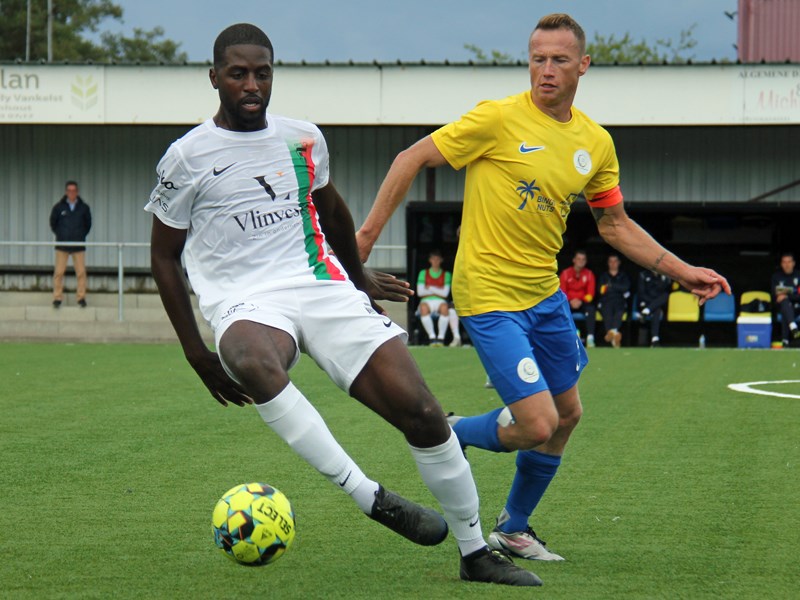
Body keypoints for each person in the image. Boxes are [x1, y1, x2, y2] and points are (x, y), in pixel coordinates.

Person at [145, 24, 539, 587]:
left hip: (321, 285)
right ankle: (368, 495)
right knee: (254, 361)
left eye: (262, 72)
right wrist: (194, 350)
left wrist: (358, 281)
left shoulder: (303, 139)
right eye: (238, 73)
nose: (251, 84)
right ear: (214, 79)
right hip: (245, 300)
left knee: (424, 414)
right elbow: (164, 256)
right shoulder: (185, 157)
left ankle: (475, 552)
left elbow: (333, 213)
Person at [357, 13, 729, 563]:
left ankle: (514, 527)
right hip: (488, 294)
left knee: (568, 414)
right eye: (537, 59)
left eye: (558, 60)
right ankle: (449, 431)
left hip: (544, 296)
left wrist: (681, 269)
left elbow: (614, 224)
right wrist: (362, 243)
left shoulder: (595, 143)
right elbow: (409, 158)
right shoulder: (497, 119)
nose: (546, 70)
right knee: (537, 423)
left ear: (583, 65)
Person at [49, 180, 91, 308]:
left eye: (74, 190)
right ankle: (57, 298)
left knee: (81, 273)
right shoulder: (58, 207)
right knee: (59, 272)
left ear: (77, 192)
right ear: (66, 192)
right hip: (62, 246)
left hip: (78, 246)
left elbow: (88, 225)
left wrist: (80, 235)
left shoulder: (84, 208)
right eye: (69, 190)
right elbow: (53, 223)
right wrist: (61, 235)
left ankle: (81, 298)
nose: (72, 193)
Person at [417, 249, 461, 347]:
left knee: (445, 308)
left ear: (441, 260)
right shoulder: (423, 273)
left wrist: (429, 288)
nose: (435, 262)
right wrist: (438, 290)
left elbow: (445, 294)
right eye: (433, 259)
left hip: (441, 302)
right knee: (423, 308)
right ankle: (432, 337)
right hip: (426, 302)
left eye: (437, 259)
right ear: (430, 260)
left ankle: (440, 338)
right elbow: (420, 293)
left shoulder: (446, 275)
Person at [559, 249, 597, 347]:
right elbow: (562, 292)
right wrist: (571, 300)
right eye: (578, 259)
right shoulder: (565, 273)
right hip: (568, 301)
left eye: (583, 259)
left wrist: (580, 300)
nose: (581, 261)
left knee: (591, 309)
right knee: (562, 308)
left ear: (586, 261)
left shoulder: (589, 274)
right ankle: (568, 337)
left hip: (583, 302)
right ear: (574, 260)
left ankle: (590, 338)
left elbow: (590, 294)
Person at [596, 253, 631, 348]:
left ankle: (611, 333)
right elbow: (601, 290)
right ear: (608, 263)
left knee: (619, 312)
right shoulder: (603, 276)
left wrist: (610, 286)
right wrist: (617, 288)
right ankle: (615, 335)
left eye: (615, 261)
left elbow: (626, 288)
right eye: (611, 261)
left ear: (619, 263)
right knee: (607, 312)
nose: (613, 263)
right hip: (606, 301)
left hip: (619, 301)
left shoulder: (623, 276)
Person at [636, 269, 672, 347]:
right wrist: (652, 304)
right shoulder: (643, 274)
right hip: (646, 303)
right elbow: (641, 293)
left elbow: (666, 290)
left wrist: (664, 278)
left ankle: (646, 311)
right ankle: (655, 339)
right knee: (657, 310)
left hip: (658, 304)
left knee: (665, 296)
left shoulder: (664, 275)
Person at [771, 252, 800, 347]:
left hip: (797, 307)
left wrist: (787, 296)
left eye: (789, 262)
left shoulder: (798, 276)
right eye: (784, 262)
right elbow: (774, 295)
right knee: (785, 305)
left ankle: (785, 340)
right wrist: (784, 297)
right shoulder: (776, 277)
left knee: (786, 307)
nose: (787, 265)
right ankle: (793, 327)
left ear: (793, 263)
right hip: (782, 306)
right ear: (781, 264)